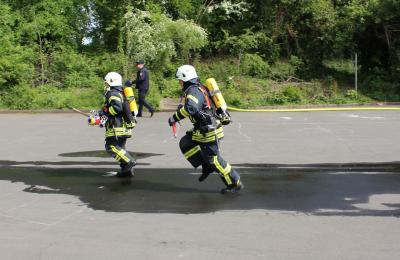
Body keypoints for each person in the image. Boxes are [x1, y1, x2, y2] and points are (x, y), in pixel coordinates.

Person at [168, 65, 244, 194]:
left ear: (185, 79)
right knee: (186, 143)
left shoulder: (194, 91)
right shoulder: (196, 88)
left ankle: (234, 182)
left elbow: (191, 108)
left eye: (180, 80)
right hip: (201, 130)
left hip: (210, 131)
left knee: (214, 160)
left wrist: (175, 117)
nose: (179, 82)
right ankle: (206, 167)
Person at [92, 72, 136, 178]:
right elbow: (109, 110)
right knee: (120, 149)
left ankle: (129, 161)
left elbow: (117, 108)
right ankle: (126, 171)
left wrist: (104, 113)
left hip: (117, 127)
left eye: (106, 83)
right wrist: (98, 117)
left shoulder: (113, 93)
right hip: (123, 127)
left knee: (111, 147)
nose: (105, 86)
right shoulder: (120, 92)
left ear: (112, 82)